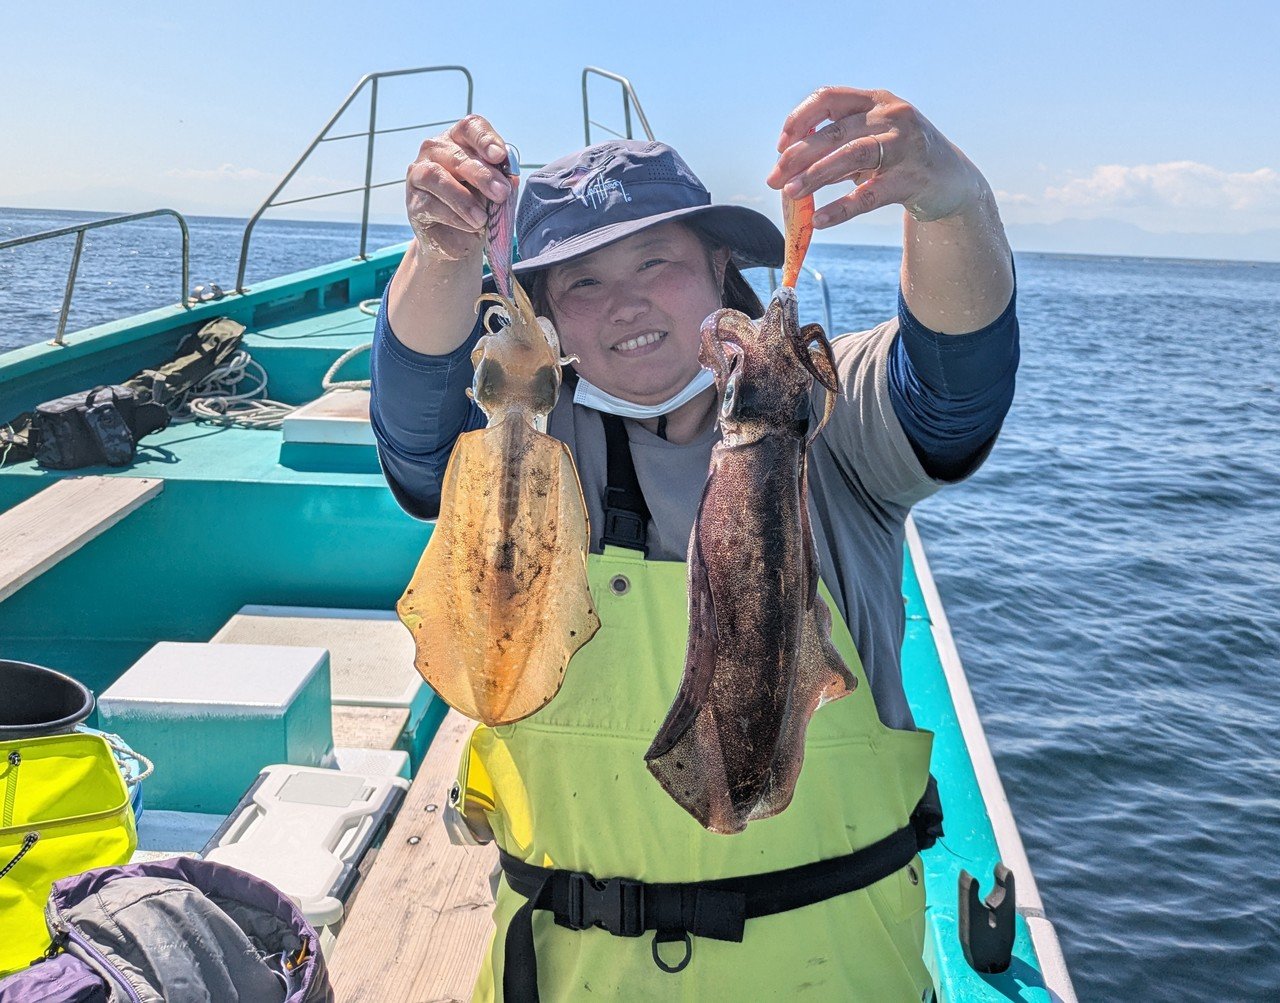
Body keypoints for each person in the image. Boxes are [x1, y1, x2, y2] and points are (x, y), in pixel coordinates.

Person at [371, 86, 1018, 1001]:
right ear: (546, 311)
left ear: (720, 267)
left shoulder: (821, 410)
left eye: (656, 261)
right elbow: (414, 432)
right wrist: (443, 249)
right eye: (583, 282)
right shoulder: (531, 444)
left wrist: (952, 206)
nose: (625, 302)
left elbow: (953, 391)